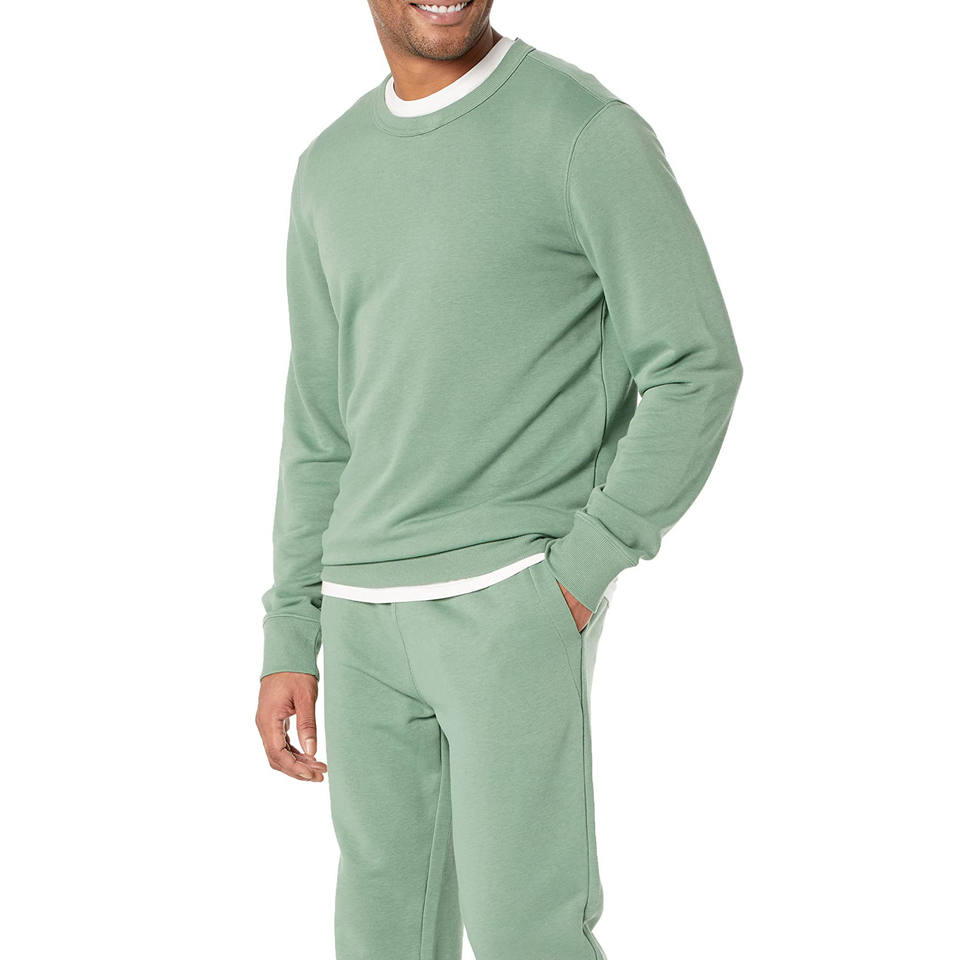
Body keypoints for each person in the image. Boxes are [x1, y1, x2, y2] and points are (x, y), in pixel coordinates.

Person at [255, 2, 742, 957]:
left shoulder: (585, 132)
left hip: (510, 604)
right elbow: (319, 423)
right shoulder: (328, 167)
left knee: (530, 936)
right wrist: (290, 633)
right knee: (381, 938)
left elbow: (696, 366)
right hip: (359, 619)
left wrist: (580, 571)